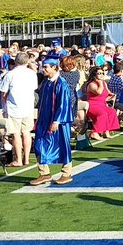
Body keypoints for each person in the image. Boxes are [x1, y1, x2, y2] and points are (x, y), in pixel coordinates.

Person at [28, 58, 78, 186]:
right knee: (39, 145)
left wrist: (56, 121)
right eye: (43, 67)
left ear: (54, 67)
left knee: (63, 145)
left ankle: (66, 173)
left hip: (59, 121)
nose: (43, 69)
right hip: (44, 120)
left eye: (46, 67)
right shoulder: (45, 83)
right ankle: (44, 173)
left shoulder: (62, 83)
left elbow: (64, 104)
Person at [0, 52, 37, 167]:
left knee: (16, 134)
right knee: (26, 132)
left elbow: (3, 93)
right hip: (27, 106)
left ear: (15, 62)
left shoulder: (10, 74)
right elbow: (34, 88)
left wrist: (4, 106)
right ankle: (27, 159)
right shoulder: (32, 74)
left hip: (14, 107)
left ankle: (19, 159)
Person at [84, 65, 120, 141]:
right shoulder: (91, 84)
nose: (101, 75)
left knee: (112, 112)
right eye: (99, 73)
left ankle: (106, 131)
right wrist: (100, 83)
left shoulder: (104, 83)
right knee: (102, 113)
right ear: (94, 75)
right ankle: (95, 132)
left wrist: (112, 95)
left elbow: (108, 93)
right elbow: (99, 92)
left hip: (102, 104)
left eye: (102, 73)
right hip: (92, 105)